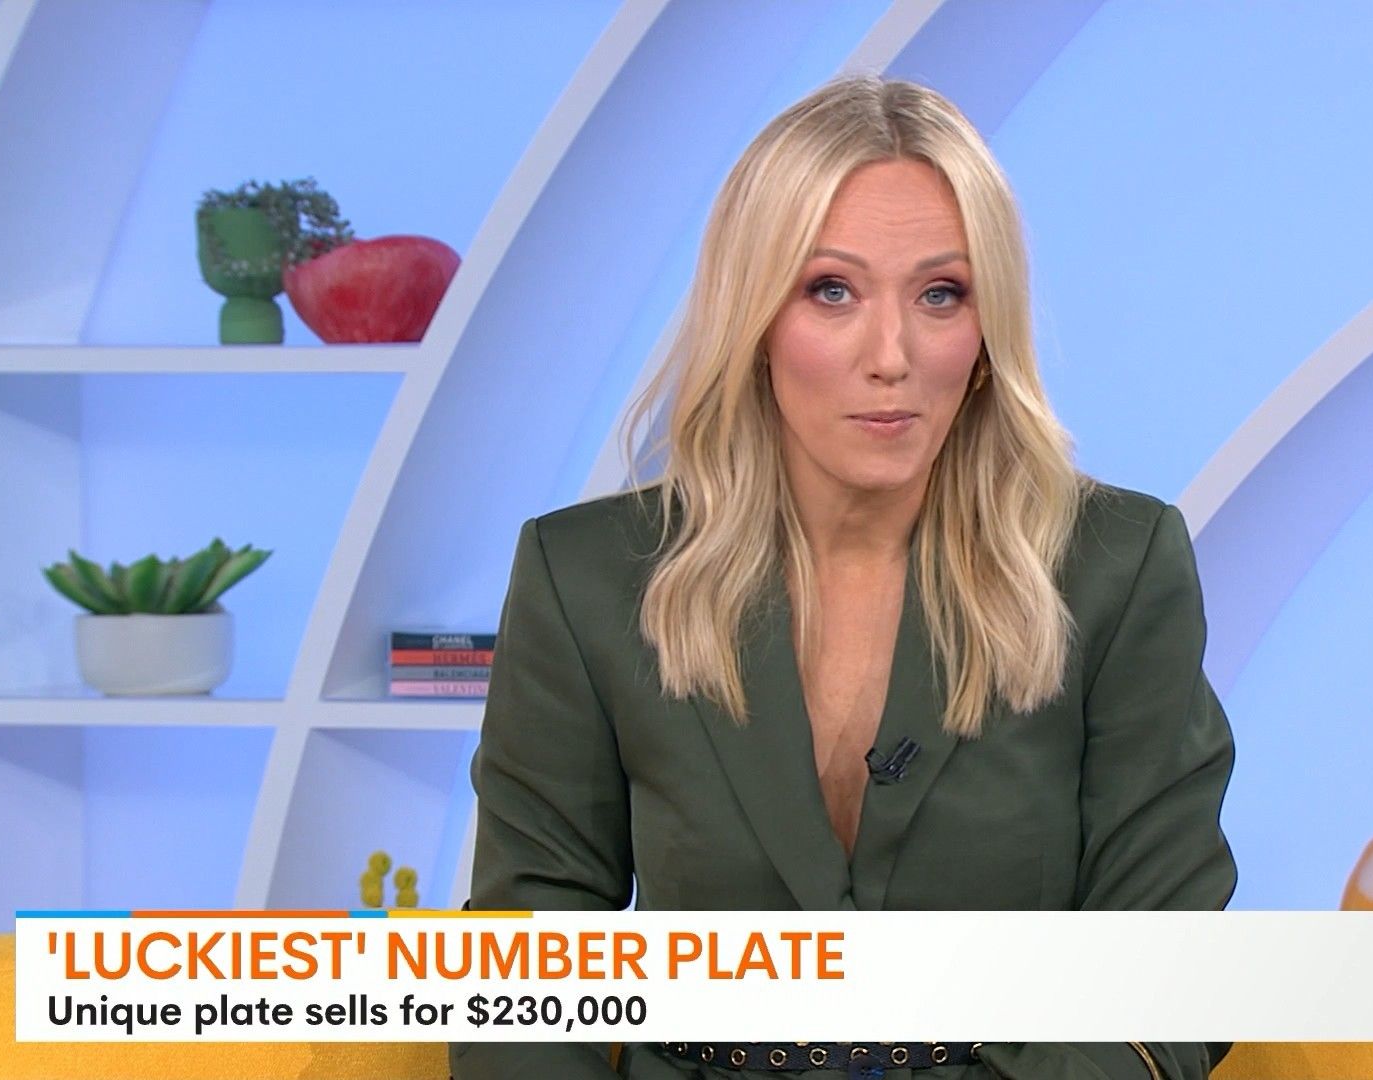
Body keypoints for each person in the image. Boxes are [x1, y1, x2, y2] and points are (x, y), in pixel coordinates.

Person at [450, 74, 1237, 1080]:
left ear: (986, 332)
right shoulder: (588, 579)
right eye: (832, 290)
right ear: (754, 318)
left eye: (940, 295)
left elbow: (1167, 960)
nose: (891, 356)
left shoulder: (1116, 569)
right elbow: (525, 969)